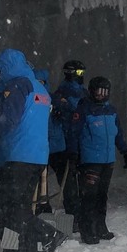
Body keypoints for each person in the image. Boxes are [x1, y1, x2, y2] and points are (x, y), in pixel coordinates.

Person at [0, 49, 66, 252]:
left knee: (6, 208)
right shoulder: (39, 87)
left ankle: (49, 233)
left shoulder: (18, 85)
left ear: (5, 68)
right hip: (38, 155)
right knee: (21, 205)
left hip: (19, 155)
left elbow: (7, 120)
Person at [67, 76, 127, 244]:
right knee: (89, 196)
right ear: (91, 91)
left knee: (102, 196)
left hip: (107, 159)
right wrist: (73, 155)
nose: (101, 95)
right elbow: (74, 134)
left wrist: (125, 151)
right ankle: (87, 229)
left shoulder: (111, 110)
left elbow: (117, 134)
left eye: (105, 92)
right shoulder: (83, 109)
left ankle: (100, 226)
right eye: (98, 92)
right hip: (90, 160)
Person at [50, 60, 87, 225]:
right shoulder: (62, 93)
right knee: (69, 182)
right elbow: (68, 119)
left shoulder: (82, 92)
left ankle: (80, 215)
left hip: (79, 143)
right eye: (79, 73)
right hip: (65, 145)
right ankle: (74, 217)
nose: (81, 77)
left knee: (80, 181)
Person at [32, 68, 60, 214]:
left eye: (42, 82)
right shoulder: (33, 98)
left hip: (45, 145)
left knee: (43, 179)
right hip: (34, 146)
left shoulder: (49, 100)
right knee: (34, 180)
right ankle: (35, 207)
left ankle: (43, 205)